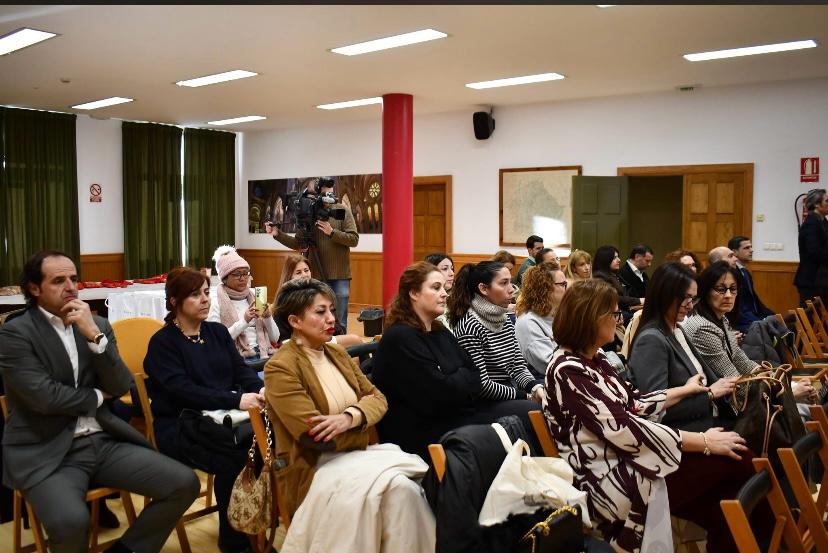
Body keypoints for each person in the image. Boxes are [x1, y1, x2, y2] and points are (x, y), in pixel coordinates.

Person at [545, 278, 767, 553]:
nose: (618, 320)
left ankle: (762, 539)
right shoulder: (567, 370)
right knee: (738, 458)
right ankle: (773, 536)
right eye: (614, 314)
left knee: (725, 499)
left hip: (632, 456)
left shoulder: (595, 359)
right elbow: (625, 429)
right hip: (610, 476)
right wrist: (704, 441)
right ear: (591, 318)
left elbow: (635, 403)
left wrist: (685, 390)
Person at [0, 251, 199, 553]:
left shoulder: (97, 325)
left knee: (184, 483)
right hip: (47, 448)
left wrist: (94, 337)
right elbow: (44, 398)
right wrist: (96, 395)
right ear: (34, 288)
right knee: (71, 523)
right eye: (58, 281)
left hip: (102, 439)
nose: (70, 287)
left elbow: (120, 385)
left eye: (73, 278)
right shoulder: (16, 333)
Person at [264, 278, 434, 552]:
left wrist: (349, 418)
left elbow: (379, 399)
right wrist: (363, 427)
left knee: (403, 491)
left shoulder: (336, 353)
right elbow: (315, 438)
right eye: (320, 312)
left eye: (331, 310)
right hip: (314, 467)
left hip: (357, 457)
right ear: (295, 321)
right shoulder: (281, 367)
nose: (332, 318)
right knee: (400, 489)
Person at [144, 267, 266, 553]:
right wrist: (236, 400)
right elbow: (185, 392)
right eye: (195, 295)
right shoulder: (163, 343)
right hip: (181, 423)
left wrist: (259, 389)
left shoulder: (216, 332)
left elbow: (241, 370)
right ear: (174, 301)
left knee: (264, 445)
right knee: (234, 457)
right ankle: (234, 540)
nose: (205, 300)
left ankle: (253, 526)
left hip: (223, 418)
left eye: (206, 292)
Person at [682, 261, 815, 403]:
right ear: (705, 291)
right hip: (721, 405)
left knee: (806, 401)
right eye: (721, 289)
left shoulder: (721, 318)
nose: (728, 295)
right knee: (802, 408)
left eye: (733, 289)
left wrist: (783, 383)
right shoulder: (703, 328)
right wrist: (787, 393)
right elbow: (736, 384)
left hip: (737, 397)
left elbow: (744, 363)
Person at [628, 262, 739, 432]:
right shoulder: (651, 340)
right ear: (664, 294)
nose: (690, 305)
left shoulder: (677, 329)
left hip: (708, 417)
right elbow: (653, 410)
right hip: (683, 431)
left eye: (693, 299)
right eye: (685, 298)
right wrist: (709, 394)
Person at [265, 177, 359, 332]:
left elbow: (354, 239)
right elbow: (298, 243)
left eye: (330, 194)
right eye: (324, 195)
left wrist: (332, 232)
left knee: (339, 320)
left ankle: (340, 344)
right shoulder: (309, 213)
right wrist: (277, 234)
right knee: (317, 317)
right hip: (315, 275)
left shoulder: (342, 210)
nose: (328, 198)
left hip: (340, 275)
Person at [448, 260, 546, 402]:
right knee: (540, 408)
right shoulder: (470, 326)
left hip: (510, 389)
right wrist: (526, 396)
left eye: (510, 282)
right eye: (503, 283)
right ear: (484, 289)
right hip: (486, 401)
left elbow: (518, 366)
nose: (511, 289)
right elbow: (482, 385)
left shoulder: (503, 319)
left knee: (551, 395)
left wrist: (535, 388)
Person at [274, 254, 363, 348]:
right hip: (298, 345)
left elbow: (338, 328)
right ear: (289, 276)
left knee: (355, 342)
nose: (304, 275)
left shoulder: (320, 294)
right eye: (298, 272)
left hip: (325, 341)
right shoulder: (284, 301)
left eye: (306, 270)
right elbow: (283, 339)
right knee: (355, 340)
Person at [208, 245, 278, 362]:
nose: (243, 278)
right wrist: (244, 321)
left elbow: (275, 338)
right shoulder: (216, 301)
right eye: (237, 274)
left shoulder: (254, 295)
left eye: (246, 273)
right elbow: (217, 341)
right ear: (224, 278)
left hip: (264, 353)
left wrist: (268, 317)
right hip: (237, 357)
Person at [515, 261, 567, 378]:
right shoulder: (528, 322)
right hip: (547, 381)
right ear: (546, 288)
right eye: (563, 284)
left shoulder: (560, 314)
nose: (567, 289)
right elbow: (549, 365)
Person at [727, 236, 774, 332]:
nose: (751, 250)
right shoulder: (732, 274)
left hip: (752, 317)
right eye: (746, 248)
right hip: (742, 321)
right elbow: (740, 307)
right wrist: (759, 321)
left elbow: (755, 301)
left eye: (751, 247)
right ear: (734, 252)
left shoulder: (745, 272)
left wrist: (773, 315)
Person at [794, 188, 828, 307]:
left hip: (821, 280)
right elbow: (815, 252)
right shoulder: (811, 223)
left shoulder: (823, 222)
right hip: (812, 281)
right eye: (826, 201)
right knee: (809, 316)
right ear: (816, 204)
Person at [592, 244, 642, 314]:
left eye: (618, 257)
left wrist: (633, 306)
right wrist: (639, 301)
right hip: (612, 314)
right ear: (605, 259)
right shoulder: (599, 277)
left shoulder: (614, 275)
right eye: (615, 257)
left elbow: (625, 295)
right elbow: (614, 298)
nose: (619, 260)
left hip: (624, 311)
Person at [424, 253, 455, 329]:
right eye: (445, 269)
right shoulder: (427, 305)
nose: (452, 273)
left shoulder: (454, 297)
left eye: (452, 269)